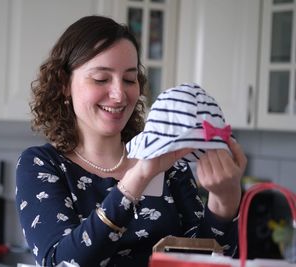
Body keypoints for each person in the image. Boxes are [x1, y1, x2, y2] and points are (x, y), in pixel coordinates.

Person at [15, 15, 247, 267]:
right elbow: (59, 263)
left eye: (129, 79)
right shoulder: (41, 165)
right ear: (64, 84)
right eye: (101, 79)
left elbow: (204, 260)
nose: (119, 95)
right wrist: (137, 179)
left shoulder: (170, 165)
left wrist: (225, 200)